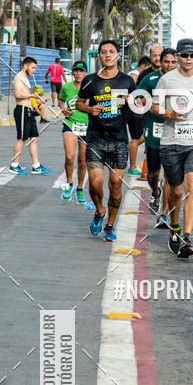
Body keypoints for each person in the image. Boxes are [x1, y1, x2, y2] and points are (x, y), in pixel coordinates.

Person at [152, 37, 193, 257]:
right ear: (177, 57)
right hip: (170, 143)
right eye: (184, 55)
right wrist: (168, 113)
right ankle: (175, 227)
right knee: (176, 191)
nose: (189, 59)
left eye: (192, 55)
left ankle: (186, 237)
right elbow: (154, 106)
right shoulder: (167, 80)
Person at [76, 39, 136, 241]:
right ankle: (99, 210)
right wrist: (89, 109)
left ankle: (110, 225)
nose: (108, 55)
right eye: (104, 52)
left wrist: (134, 101)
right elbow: (79, 103)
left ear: (118, 55)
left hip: (119, 141)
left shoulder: (127, 81)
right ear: (99, 55)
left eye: (112, 52)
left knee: (115, 185)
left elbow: (138, 107)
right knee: (95, 183)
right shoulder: (90, 80)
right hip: (95, 140)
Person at [136, 47, 176, 221]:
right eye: (166, 61)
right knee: (152, 174)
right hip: (154, 130)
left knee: (169, 175)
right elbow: (137, 99)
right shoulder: (149, 78)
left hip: (173, 131)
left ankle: (164, 213)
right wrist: (147, 103)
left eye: (173, 62)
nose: (169, 65)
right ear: (161, 61)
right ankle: (155, 191)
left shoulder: (182, 79)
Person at [9, 56, 51, 175]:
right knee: (22, 138)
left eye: (35, 68)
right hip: (21, 109)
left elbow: (26, 95)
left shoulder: (25, 78)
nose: (34, 70)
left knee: (34, 138)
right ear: (25, 66)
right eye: (33, 67)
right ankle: (14, 165)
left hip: (28, 110)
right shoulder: (19, 78)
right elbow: (17, 95)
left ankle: (36, 166)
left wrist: (37, 99)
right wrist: (31, 96)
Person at [59, 60, 89, 202]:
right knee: (70, 156)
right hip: (70, 123)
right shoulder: (66, 87)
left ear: (86, 73)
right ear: (72, 73)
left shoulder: (91, 88)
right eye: (76, 71)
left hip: (86, 125)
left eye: (81, 71)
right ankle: (69, 183)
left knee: (82, 160)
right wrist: (63, 109)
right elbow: (61, 100)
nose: (78, 73)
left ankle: (80, 188)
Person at [126, 56, 153, 176]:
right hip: (134, 110)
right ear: (145, 66)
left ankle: (127, 149)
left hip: (138, 109)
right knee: (136, 139)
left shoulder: (135, 74)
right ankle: (132, 168)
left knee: (144, 136)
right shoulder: (134, 75)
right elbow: (131, 93)